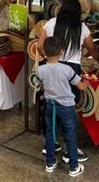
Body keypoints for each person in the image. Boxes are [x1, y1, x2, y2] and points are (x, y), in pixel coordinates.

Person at [38, 0, 99, 161]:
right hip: (71, 70)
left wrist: (47, 59)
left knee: (51, 105)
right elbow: (92, 49)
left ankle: (50, 144)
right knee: (68, 109)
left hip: (51, 65)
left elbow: (39, 46)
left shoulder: (51, 23)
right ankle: (69, 150)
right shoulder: (82, 28)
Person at [37, 36, 88, 177]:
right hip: (66, 108)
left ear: (44, 53)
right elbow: (81, 86)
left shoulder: (41, 70)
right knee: (70, 135)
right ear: (61, 51)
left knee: (50, 133)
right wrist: (87, 82)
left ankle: (50, 163)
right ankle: (73, 167)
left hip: (50, 106)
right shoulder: (67, 69)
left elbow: (40, 84)